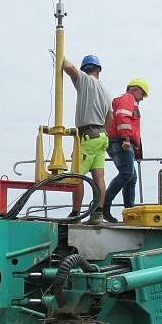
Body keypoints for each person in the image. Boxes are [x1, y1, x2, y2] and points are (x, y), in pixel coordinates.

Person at [62, 54, 113, 224]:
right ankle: (98, 213)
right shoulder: (106, 92)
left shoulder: (84, 80)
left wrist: (60, 55)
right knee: (99, 175)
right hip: (102, 136)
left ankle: (75, 214)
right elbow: (110, 117)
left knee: (77, 175)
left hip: (87, 135)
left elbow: (69, 67)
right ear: (99, 70)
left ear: (85, 69)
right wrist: (103, 132)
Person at [103, 79, 150, 222]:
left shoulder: (125, 100)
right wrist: (126, 140)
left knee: (131, 177)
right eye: (142, 94)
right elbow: (123, 118)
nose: (142, 98)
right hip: (120, 142)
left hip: (118, 142)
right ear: (135, 89)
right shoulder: (127, 99)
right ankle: (104, 207)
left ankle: (130, 213)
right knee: (127, 174)